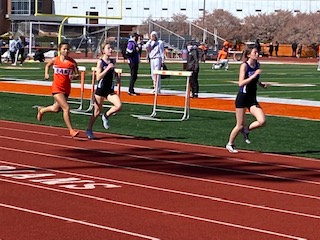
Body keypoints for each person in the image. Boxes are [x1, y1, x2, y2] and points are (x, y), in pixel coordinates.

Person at [226, 46, 267, 153]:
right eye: (255, 52)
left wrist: (260, 83)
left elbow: (255, 79)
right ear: (249, 55)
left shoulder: (257, 65)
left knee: (262, 121)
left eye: (257, 52)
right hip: (242, 98)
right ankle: (230, 143)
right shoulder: (244, 66)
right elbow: (241, 83)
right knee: (239, 125)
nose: (257, 54)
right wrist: (254, 76)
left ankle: (247, 130)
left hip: (252, 98)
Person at [34, 42, 80, 138]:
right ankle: (71, 130)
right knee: (66, 108)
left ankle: (41, 110)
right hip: (56, 88)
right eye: (64, 49)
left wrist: (74, 77)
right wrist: (46, 74)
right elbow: (47, 65)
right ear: (60, 50)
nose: (66, 51)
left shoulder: (72, 63)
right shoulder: (56, 60)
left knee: (56, 109)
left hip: (66, 89)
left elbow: (78, 75)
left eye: (67, 49)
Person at [85, 42, 122, 139]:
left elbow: (112, 72)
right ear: (103, 50)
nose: (111, 50)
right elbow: (98, 77)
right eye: (108, 48)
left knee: (119, 106)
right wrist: (107, 68)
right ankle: (89, 129)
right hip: (101, 90)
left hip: (109, 90)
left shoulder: (112, 62)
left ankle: (106, 115)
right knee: (96, 112)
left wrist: (116, 76)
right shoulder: (100, 62)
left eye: (111, 48)